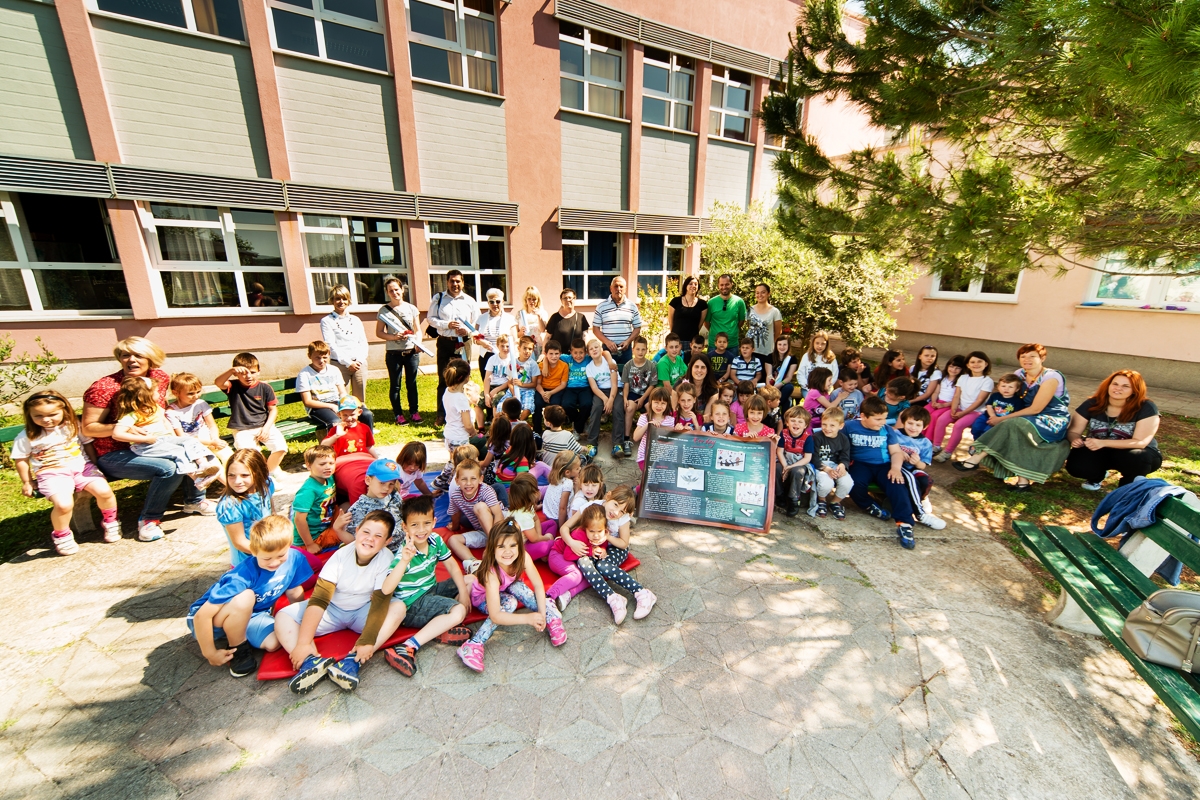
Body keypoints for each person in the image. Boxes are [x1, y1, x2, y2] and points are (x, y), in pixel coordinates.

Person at [82, 337, 211, 542]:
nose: (131, 360)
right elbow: (88, 429)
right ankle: (149, 521)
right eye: (125, 355)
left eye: (138, 355)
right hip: (114, 453)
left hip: (153, 443)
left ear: (152, 359)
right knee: (168, 467)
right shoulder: (104, 388)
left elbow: (158, 411)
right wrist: (125, 428)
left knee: (186, 449)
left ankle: (194, 501)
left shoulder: (158, 378)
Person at [274, 511, 415, 694]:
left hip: (362, 612)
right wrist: (303, 643)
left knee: (398, 607)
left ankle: (353, 661)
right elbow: (318, 601)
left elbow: (380, 602)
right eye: (366, 532)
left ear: (387, 541)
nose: (370, 539)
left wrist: (367, 641)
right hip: (331, 611)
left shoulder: (385, 558)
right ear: (356, 531)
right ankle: (310, 661)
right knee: (283, 615)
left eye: (378, 536)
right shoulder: (340, 557)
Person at [188, 515, 311, 678]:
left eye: (281, 555)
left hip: (252, 615)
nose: (274, 563)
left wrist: (302, 619)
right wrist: (210, 653)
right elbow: (201, 616)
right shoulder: (241, 576)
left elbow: (294, 591)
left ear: (290, 546)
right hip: (210, 622)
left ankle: (237, 631)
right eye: (267, 558)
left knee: (274, 642)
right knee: (246, 596)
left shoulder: (295, 558)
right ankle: (238, 646)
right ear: (253, 550)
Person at [14, 390, 121, 555]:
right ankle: (62, 535)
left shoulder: (73, 425)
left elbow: (87, 445)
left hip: (82, 468)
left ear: (64, 410)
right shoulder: (27, 435)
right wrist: (27, 482)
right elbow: (21, 459)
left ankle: (111, 522)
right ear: (29, 415)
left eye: (52, 414)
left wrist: (94, 464)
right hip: (52, 473)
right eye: (38, 416)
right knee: (63, 504)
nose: (46, 419)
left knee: (105, 492)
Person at [379, 495, 473, 679]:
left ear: (434, 522)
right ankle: (408, 646)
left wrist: (463, 592)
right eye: (414, 525)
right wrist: (404, 560)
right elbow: (387, 586)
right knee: (459, 610)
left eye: (426, 523)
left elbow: (453, 566)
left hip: (429, 591)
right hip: (412, 605)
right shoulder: (404, 553)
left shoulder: (435, 540)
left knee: (469, 580)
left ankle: (439, 627)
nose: (421, 530)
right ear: (404, 527)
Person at [457, 517, 567, 672]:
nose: (507, 552)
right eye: (501, 546)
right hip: (481, 597)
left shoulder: (522, 558)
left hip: (505, 586)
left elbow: (537, 584)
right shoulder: (491, 574)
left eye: (512, 545)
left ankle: (551, 616)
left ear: (519, 546)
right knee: (510, 603)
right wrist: (528, 618)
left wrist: (542, 614)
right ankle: (473, 644)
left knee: (518, 587)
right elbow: (496, 615)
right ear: (492, 549)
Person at [956, 344, 1072, 491]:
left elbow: (1036, 408)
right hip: (1026, 414)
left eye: (1032, 356)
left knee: (1011, 424)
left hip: (1049, 419)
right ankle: (1022, 483)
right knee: (1011, 427)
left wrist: (1003, 418)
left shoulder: (1051, 377)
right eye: (1023, 356)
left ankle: (975, 458)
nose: (1027, 359)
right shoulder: (1020, 374)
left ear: (1042, 358)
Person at [112, 377, 222, 488]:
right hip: (147, 446)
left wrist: (176, 438)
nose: (159, 393)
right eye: (156, 391)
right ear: (144, 395)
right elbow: (117, 434)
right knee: (179, 452)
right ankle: (198, 480)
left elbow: (165, 421)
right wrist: (145, 439)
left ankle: (203, 465)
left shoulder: (155, 408)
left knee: (189, 441)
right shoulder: (132, 415)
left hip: (165, 440)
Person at [1065, 370, 1162, 489]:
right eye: (1115, 384)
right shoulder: (1092, 403)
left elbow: (1140, 442)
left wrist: (1103, 442)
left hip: (1131, 451)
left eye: (1125, 386)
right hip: (1099, 448)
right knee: (1077, 466)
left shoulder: (1146, 407)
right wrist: (1075, 439)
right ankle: (1096, 476)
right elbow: (1073, 431)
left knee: (1139, 457)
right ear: (1108, 385)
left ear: (1135, 390)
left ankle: (1127, 486)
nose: (1118, 388)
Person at [844, 395, 917, 550]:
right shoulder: (849, 426)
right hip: (860, 464)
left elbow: (896, 452)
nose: (882, 422)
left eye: (884, 418)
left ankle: (904, 523)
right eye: (878, 419)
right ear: (863, 416)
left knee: (897, 484)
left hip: (884, 465)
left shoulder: (887, 430)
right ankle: (869, 505)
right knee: (854, 484)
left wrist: (895, 468)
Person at [215, 353, 288, 482]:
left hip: (264, 425)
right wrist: (230, 371)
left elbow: (273, 410)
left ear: (259, 371)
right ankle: (265, 479)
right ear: (236, 374)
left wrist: (266, 428)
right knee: (251, 456)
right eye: (243, 373)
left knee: (281, 448)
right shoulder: (233, 386)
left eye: (252, 372)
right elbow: (218, 382)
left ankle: (270, 471)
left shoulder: (265, 387)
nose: (248, 376)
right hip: (242, 428)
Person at [427, 269, 480, 425]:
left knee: (463, 377)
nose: (455, 284)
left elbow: (476, 322)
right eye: (452, 281)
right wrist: (447, 324)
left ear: (462, 282)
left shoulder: (470, 301)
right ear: (447, 282)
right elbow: (430, 318)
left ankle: (463, 411)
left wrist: (468, 330)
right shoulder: (439, 299)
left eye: (458, 281)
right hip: (445, 341)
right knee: (444, 378)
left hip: (464, 342)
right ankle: (441, 415)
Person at [298, 341, 375, 433]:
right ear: (309, 356)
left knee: (366, 414)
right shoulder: (304, 374)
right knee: (335, 422)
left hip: (338, 403)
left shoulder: (334, 370)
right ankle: (336, 446)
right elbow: (308, 402)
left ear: (329, 355)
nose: (321, 361)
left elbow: (342, 392)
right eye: (317, 358)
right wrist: (331, 406)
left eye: (325, 357)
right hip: (318, 407)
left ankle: (368, 444)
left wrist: (348, 403)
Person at [929, 351, 993, 463]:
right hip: (959, 408)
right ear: (968, 365)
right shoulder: (963, 377)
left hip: (975, 412)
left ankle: (947, 452)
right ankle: (936, 446)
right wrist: (953, 409)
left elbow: (979, 400)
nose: (976, 364)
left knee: (958, 425)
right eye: (972, 362)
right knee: (941, 419)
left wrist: (963, 413)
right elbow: (957, 395)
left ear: (986, 364)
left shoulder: (987, 381)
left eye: (979, 361)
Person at [375, 277, 423, 425]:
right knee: (395, 385)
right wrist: (393, 337)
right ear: (387, 293)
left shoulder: (411, 308)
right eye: (391, 290)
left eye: (397, 289)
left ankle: (414, 412)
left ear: (402, 290)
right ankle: (398, 414)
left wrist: (418, 343)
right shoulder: (384, 310)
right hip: (393, 354)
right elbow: (379, 332)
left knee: (411, 383)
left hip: (411, 353)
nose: (394, 292)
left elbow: (418, 330)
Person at [216, 449, 274, 566]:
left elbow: (272, 513)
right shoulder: (230, 505)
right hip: (248, 564)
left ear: (259, 473)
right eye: (231, 475)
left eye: (244, 475)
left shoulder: (266, 484)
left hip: (272, 550)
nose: (237, 481)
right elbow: (240, 542)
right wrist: (271, 555)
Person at [446, 459, 506, 569]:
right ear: (457, 481)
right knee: (453, 540)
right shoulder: (456, 496)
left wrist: (492, 542)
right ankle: (474, 564)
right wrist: (454, 527)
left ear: (480, 479)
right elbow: (455, 513)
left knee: (480, 507)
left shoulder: (486, 490)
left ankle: (494, 545)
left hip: (500, 527)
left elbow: (499, 515)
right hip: (484, 531)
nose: (468, 483)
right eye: (464, 479)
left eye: (473, 479)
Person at [893, 407, 946, 529]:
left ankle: (923, 498)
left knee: (925, 479)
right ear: (904, 422)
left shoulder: (926, 443)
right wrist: (898, 452)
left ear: (925, 427)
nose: (913, 427)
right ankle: (920, 513)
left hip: (914, 467)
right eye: (910, 423)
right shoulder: (896, 434)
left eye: (918, 425)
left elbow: (923, 466)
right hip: (898, 466)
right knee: (910, 478)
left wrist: (917, 462)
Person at [166, 373, 232, 472]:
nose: (196, 396)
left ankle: (235, 481)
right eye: (190, 393)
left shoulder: (201, 404)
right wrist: (210, 442)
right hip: (193, 446)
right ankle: (228, 484)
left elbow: (212, 425)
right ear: (176, 393)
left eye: (198, 391)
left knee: (231, 458)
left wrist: (215, 439)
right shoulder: (172, 412)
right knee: (215, 466)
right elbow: (183, 437)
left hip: (210, 439)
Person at [319, 285, 370, 403]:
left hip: (359, 364)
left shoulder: (356, 320)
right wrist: (348, 363)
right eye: (337, 298)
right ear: (332, 300)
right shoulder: (327, 321)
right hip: (340, 365)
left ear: (348, 300)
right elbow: (331, 345)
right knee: (342, 399)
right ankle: (344, 421)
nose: (341, 302)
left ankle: (360, 420)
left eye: (344, 299)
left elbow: (363, 342)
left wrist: (359, 361)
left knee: (360, 400)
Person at [292, 445, 343, 557]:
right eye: (322, 464)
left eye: (331, 463)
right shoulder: (308, 490)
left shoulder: (329, 478)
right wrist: (310, 544)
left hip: (324, 528)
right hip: (311, 537)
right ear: (309, 466)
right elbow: (299, 520)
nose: (328, 467)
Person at [805, 406, 853, 520]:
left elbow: (845, 457)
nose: (827, 428)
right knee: (827, 482)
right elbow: (814, 458)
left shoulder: (844, 439)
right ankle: (821, 500)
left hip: (836, 465)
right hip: (820, 466)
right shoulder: (816, 438)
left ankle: (835, 502)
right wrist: (826, 469)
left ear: (840, 426)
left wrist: (842, 466)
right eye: (824, 424)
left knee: (847, 482)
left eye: (832, 425)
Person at [593, 276, 643, 371]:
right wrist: (607, 342)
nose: (618, 289)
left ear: (625, 289)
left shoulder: (632, 306)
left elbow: (637, 328)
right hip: (608, 350)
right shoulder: (601, 307)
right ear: (611, 288)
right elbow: (595, 329)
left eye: (621, 286)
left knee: (626, 378)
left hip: (626, 350)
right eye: (616, 286)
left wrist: (628, 341)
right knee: (608, 377)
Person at [617, 337, 655, 457]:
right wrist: (625, 399)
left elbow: (652, 385)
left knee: (651, 408)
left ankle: (650, 437)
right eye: (638, 349)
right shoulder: (628, 365)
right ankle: (627, 439)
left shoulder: (651, 365)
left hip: (646, 393)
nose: (640, 352)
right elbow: (626, 385)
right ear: (633, 350)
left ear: (646, 350)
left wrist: (643, 398)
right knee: (629, 408)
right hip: (633, 393)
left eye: (643, 349)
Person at [967, 373, 1028, 445]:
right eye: (1003, 386)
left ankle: (982, 447)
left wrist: (998, 419)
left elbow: (1015, 414)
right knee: (976, 427)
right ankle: (976, 443)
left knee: (987, 432)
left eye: (1010, 387)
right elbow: (989, 406)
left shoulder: (1018, 401)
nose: (1006, 389)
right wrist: (993, 416)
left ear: (1017, 389)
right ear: (998, 386)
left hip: (1002, 421)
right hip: (987, 416)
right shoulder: (995, 395)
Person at [474, 288, 518, 382]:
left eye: (498, 301)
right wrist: (482, 342)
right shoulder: (481, 318)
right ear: (488, 303)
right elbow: (475, 337)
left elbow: (514, 340)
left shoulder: (510, 319)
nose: (495, 304)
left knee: (504, 382)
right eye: (491, 302)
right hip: (485, 356)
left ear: (502, 302)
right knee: (487, 382)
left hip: (504, 356)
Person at [584, 338, 618, 458]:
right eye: (591, 349)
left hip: (614, 390)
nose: (594, 350)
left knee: (618, 408)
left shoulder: (610, 362)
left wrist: (611, 400)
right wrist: (605, 399)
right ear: (588, 353)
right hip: (600, 391)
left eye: (596, 347)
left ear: (601, 349)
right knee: (596, 408)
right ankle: (592, 443)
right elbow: (594, 387)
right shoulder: (589, 367)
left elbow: (614, 384)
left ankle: (617, 444)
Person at [777, 406, 813, 517]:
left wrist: (790, 467)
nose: (796, 424)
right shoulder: (783, 433)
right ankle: (779, 495)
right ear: (787, 422)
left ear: (805, 425)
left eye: (800, 422)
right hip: (785, 459)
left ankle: (794, 499)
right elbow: (779, 452)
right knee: (776, 469)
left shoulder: (808, 438)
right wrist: (785, 465)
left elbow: (807, 458)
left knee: (798, 472)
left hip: (800, 462)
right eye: (793, 420)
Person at [534, 340, 569, 434]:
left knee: (554, 405)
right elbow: (538, 384)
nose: (554, 356)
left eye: (556, 353)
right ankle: (537, 430)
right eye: (551, 354)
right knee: (537, 404)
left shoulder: (564, 366)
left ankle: (550, 430)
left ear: (560, 353)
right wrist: (543, 394)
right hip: (542, 389)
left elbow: (563, 385)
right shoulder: (541, 366)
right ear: (546, 354)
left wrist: (550, 393)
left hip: (556, 390)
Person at [705, 273, 747, 350]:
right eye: (721, 285)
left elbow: (741, 321)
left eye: (727, 284)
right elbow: (706, 322)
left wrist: (732, 330)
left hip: (732, 344)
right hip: (714, 344)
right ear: (718, 286)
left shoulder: (739, 302)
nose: (724, 287)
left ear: (731, 284)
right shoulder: (711, 302)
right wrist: (715, 331)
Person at [544, 288, 590, 354]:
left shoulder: (581, 317)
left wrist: (588, 351)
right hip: (557, 357)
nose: (568, 300)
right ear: (561, 301)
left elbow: (585, 336)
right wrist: (543, 352)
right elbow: (547, 337)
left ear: (574, 299)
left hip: (576, 357)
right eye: (565, 298)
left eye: (570, 298)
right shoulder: (555, 317)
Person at [746, 283, 783, 364]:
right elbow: (749, 327)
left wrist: (770, 343)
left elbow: (778, 332)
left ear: (768, 293)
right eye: (757, 293)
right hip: (750, 350)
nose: (760, 295)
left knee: (764, 375)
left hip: (767, 351)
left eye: (763, 292)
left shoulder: (775, 311)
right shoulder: (750, 310)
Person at [668, 275, 709, 344]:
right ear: (686, 286)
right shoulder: (675, 302)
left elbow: (699, 325)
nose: (693, 286)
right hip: (676, 341)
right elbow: (671, 322)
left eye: (695, 284)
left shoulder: (702, 305)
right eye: (690, 284)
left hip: (692, 342)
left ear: (698, 287)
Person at [766, 335, 798, 411]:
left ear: (788, 345)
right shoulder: (770, 357)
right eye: (779, 344)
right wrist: (770, 388)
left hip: (783, 384)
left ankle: (772, 407)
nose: (782, 347)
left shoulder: (792, 359)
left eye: (784, 344)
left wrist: (780, 384)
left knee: (789, 387)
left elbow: (789, 377)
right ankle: (775, 410)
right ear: (776, 345)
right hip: (771, 384)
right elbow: (769, 375)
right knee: (787, 401)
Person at [515, 286, 549, 355]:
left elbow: (543, 330)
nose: (532, 302)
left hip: (537, 346)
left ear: (538, 300)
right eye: (529, 299)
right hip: (524, 347)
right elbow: (515, 334)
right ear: (526, 300)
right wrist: (521, 332)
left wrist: (539, 316)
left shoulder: (542, 313)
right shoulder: (520, 314)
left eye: (534, 299)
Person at [803, 367, 836, 432]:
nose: (831, 383)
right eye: (829, 380)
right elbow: (830, 407)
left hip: (820, 422)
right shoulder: (814, 392)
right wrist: (840, 397)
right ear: (821, 380)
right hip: (810, 423)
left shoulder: (824, 393)